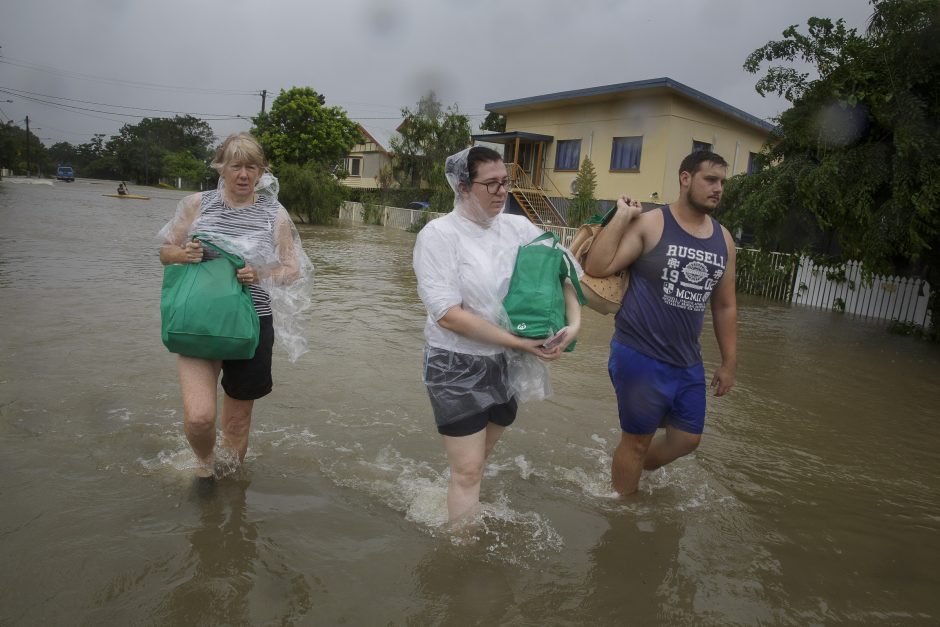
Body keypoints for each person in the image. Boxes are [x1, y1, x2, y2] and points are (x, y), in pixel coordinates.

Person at [413, 146, 583, 524]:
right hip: (455, 365)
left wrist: (573, 324)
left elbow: (565, 271)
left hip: (507, 363)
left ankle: (452, 500)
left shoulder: (518, 228)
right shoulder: (438, 236)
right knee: (469, 470)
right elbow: (448, 316)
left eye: (505, 182)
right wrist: (521, 342)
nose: (502, 191)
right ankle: (461, 553)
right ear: (462, 186)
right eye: (490, 184)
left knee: (477, 461)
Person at [158, 132, 312, 483]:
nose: (243, 174)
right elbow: (165, 251)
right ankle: (205, 465)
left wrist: (259, 273)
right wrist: (183, 254)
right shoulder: (198, 204)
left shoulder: (275, 213)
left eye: (251, 167)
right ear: (221, 168)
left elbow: (292, 269)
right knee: (199, 418)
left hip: (251, 324)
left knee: (237, 422)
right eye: (236, 166)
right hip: (198, 320)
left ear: (262, 172)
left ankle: (228, 483)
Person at [585, 150, 737, 496]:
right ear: (685, 178)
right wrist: (622, 217)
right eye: (710, 180)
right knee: (636, 440)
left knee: (687, 439)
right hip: (639, 353)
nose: (718, 189)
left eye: (722, 182)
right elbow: (597, 267)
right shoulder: (653, 223)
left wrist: (730, 362)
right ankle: (622, 506)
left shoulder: (724, 239)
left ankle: (629, 466)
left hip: (687, 360)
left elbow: (725, 305)